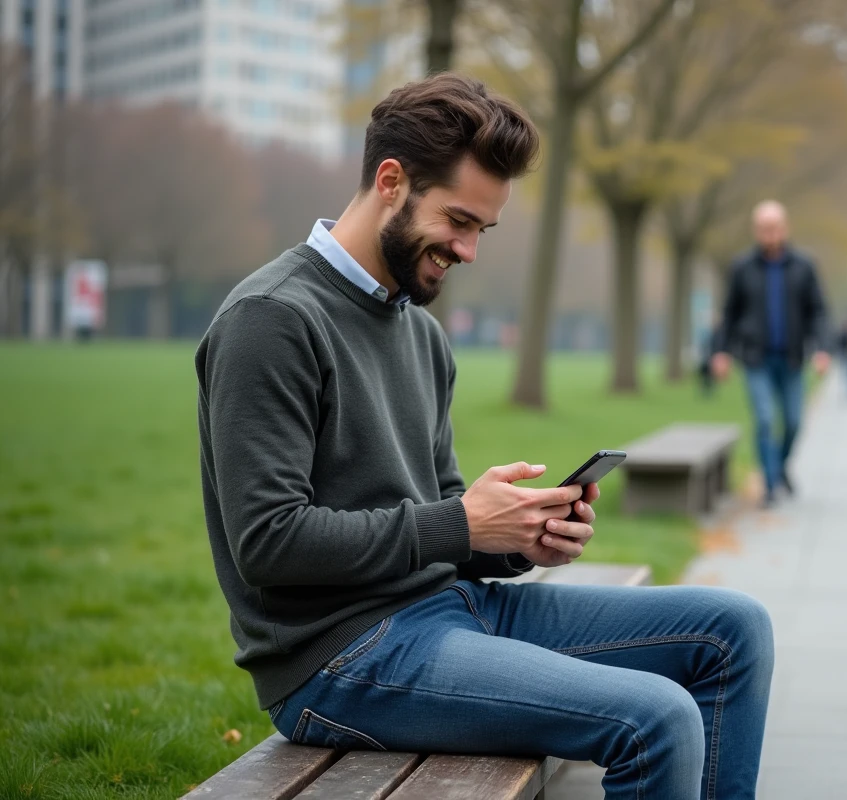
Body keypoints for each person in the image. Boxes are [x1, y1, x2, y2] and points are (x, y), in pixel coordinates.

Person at [194, 74, 773, 800]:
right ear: (391, 181)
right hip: (339, 659)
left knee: (734, 630)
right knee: (655, 719)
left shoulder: (422, 334)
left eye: (482, 231)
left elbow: (440, 520)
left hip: (453, 613)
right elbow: (269, 545)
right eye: (459, 221)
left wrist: (513, 540)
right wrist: (461, 522)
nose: (468, 251)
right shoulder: (271, 319)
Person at [711, 200, 831, 507]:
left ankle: (779, 466)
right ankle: (770, 484)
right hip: (755, 358)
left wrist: (822, 349)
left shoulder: (804, 266)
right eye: (764, 229)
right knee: (765, 420)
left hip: (792, 358)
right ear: (756, 231)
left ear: (785, 228)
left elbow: (818, 311)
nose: (770, 234)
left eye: (775, 228)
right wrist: (721, 352)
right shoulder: (742, 267)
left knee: (793, 422)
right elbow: (729, 313)